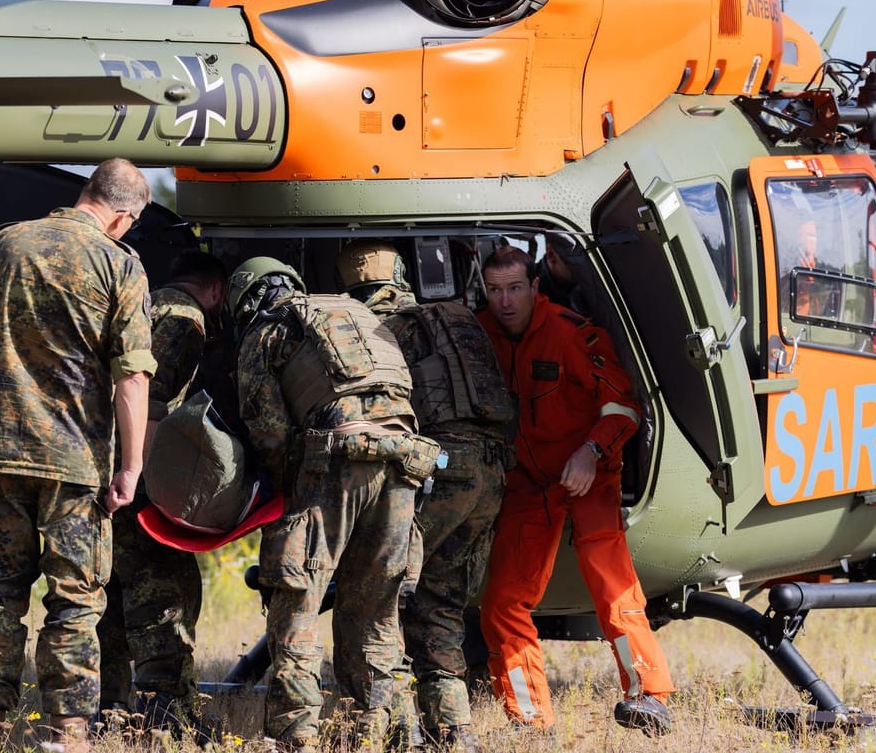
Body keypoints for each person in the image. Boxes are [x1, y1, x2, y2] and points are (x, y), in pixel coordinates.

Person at [0, 158, 155, 752]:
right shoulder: (118, 264)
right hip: (75, 465)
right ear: (122, 217)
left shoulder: (4, 244)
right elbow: (133, 379)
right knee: (73, 603)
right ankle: (67, 735)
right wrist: (131, 468)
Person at [228, 256, 440, 752]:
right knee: (376, 607)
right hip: (408, 460)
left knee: (298, 600)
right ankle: (377, 727)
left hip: (337, 460)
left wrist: (283, 494)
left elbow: (270, 432)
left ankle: (295, 734)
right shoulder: (357, 315)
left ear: (249, 299)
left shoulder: (269, 329)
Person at [475, 246, 675, 736]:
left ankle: (649, 695)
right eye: (495, 290)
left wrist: (590, 452)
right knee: (502, 601)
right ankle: (529, 718)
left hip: (589, 472)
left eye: (515, 289)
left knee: (610, 582)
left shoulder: (570, 332)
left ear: (535, 288)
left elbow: (624, 406)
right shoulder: (479, 335)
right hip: (529, 483)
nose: (505, 301)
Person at [335, 241, 513, 751]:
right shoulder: (453, 316)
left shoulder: (374, 329)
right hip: (492, 472)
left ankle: (390, 728)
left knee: (378, 596)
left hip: (439, 471)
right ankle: (454, 731)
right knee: (441, 603)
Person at [95, 250, 227, 735]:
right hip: (135, 477)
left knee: (113, 591)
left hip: (104, 470)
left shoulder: (139, 304)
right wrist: (143, 479)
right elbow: (151, 398)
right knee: (164, 591)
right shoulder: (185, 318)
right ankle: (166, 714)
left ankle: (112, 707)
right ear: (215, 289)